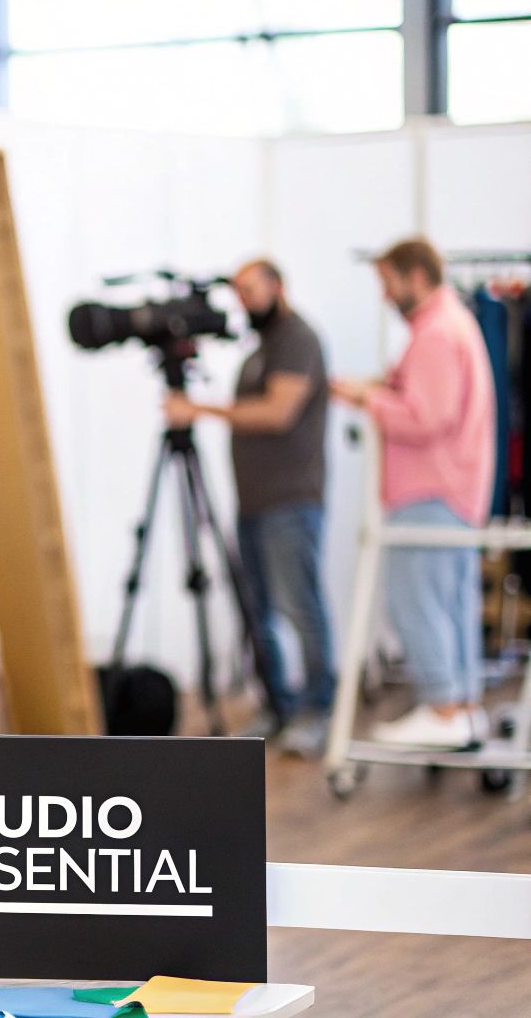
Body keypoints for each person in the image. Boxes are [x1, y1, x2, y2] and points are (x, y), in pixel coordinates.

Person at [165, 259, 336, 754]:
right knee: (257, 609)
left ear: (277, 286)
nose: (244, 300)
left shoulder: (298, 340)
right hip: (253, 502)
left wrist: (199, 409)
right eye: (238, 292)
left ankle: (318, 709)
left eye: (251, 289)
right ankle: (276, 706)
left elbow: (279, 412)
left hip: (291, 500)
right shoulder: (259, 349)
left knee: (300, 606)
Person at [332, 237, 496, 749]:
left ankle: (443, 707)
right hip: (455, 489)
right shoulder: (453, 324)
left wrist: (367, 399)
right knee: (450, 603)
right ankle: (460, 708)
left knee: (416, 602)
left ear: (416, 276)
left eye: (388, 283)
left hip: (430, 490)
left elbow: (426, 418)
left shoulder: (437, 334)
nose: (384, 296)